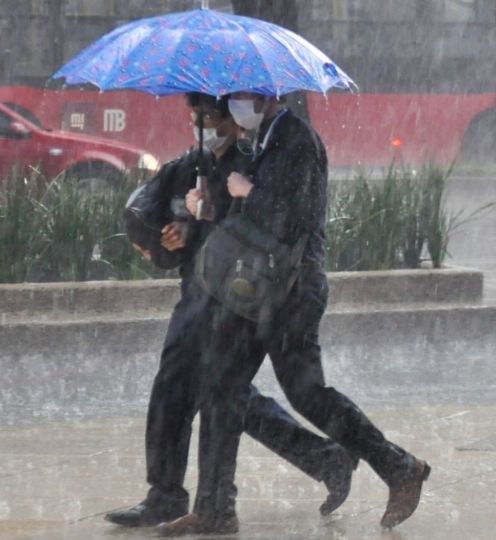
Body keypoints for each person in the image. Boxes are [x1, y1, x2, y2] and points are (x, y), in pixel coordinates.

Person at [157, 93, 431, 536]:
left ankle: (398, 466)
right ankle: (214, 508)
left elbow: (293, 218)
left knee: (307, 393)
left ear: (265, 97)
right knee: (220, 385)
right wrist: (210, 207)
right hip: (258, 289)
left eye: (242, 96)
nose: (233, 106)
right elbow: (254, 223)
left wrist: (250, 191)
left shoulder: (296, 139)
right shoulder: (263, 140)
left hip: (293, 290)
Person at [106, 93, 357, 531]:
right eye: (194, 117)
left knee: (224, 394)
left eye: (209, 117)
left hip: (234, 295)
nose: (202, 125)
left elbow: (261, 225)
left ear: (230, 119)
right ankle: (165, 493)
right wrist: (175, 231)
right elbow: (156, 213)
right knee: (174, 386)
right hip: (196, 293)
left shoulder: (253, 161)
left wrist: (212, 211)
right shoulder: (191, 164)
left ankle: (319, 460)